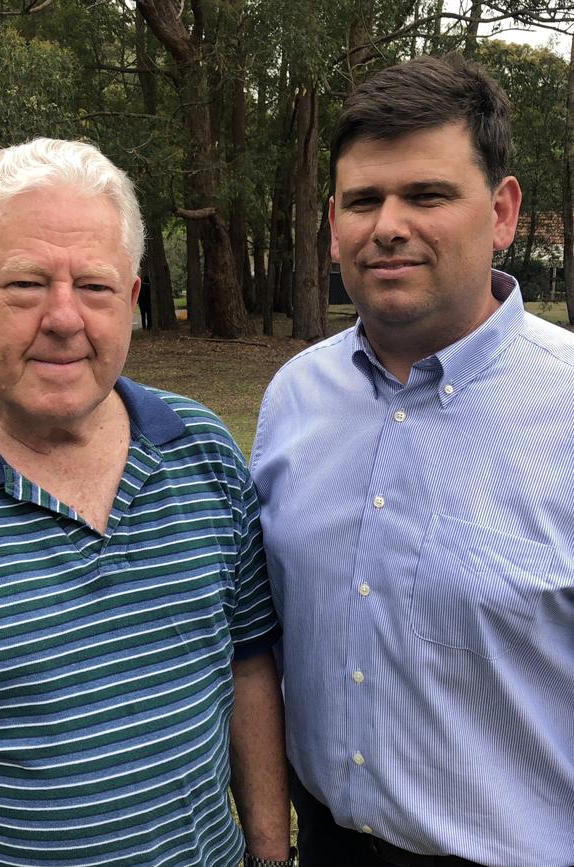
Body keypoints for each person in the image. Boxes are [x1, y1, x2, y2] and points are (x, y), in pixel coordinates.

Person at [0, 138, 296, 867]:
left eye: (93, 287)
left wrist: (269, 852)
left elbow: (249, 664)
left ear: (129, 300)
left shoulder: (203, 450)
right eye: (26, 284)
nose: (64, 318)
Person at [251, 54, 574, 867]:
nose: (388, 224)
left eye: (427, 195)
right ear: (333, 222)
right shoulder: (294, 399)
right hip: (322, 842)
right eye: (364, 200)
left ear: (501, 212)